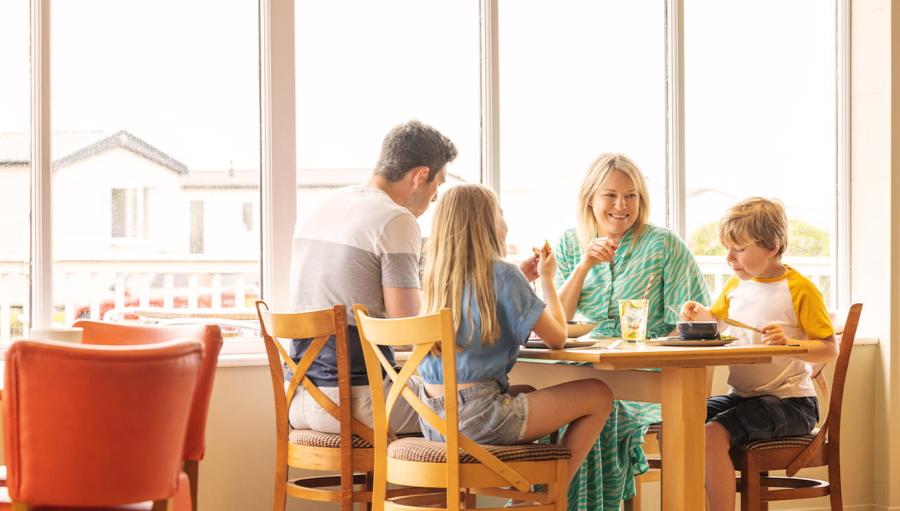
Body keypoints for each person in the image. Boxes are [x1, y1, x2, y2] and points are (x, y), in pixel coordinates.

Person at [416, 184, 613, 483]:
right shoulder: (502, 273)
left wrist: (520, 278)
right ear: (488, 223)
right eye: (501, 212)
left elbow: (482, 304)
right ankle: (550, 495)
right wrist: (547, 279)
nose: (505, 221)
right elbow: (558, 337)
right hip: (479, 416)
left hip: (433, 419)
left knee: (529, 393)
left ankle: (527, 488)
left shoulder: (438, 279)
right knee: (598, 394)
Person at [554, 153, 709, 509]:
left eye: (632, 195)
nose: (621, 206)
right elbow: (557, 322)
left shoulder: (662, 245)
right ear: (590, 199)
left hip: (648, 380)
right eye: (610, 195)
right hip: (580, 368)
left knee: (601, 418)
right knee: (555, 416)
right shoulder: (567, 244)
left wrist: (673, 328)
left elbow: (696, 322)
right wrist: (583, 266)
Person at [287, 120, 458, 434]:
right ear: (421, 175)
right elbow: (407, 327)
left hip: (298, 399)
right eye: (438, 185)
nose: (435, 198)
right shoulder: (395, 219)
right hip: (355, 404)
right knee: (469, 412)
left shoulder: (320, 207)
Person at [679, 197, 835, 511]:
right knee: (679, 419)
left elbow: (830, 348)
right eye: (727, 248)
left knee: (711, 435)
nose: (729, 258)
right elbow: (717, 321)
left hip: (791, 403)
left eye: (739, 249)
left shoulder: (799, 289)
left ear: (772, 247)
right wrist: (700, 314)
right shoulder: (736, 286)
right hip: (744, 397)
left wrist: (790, 343)